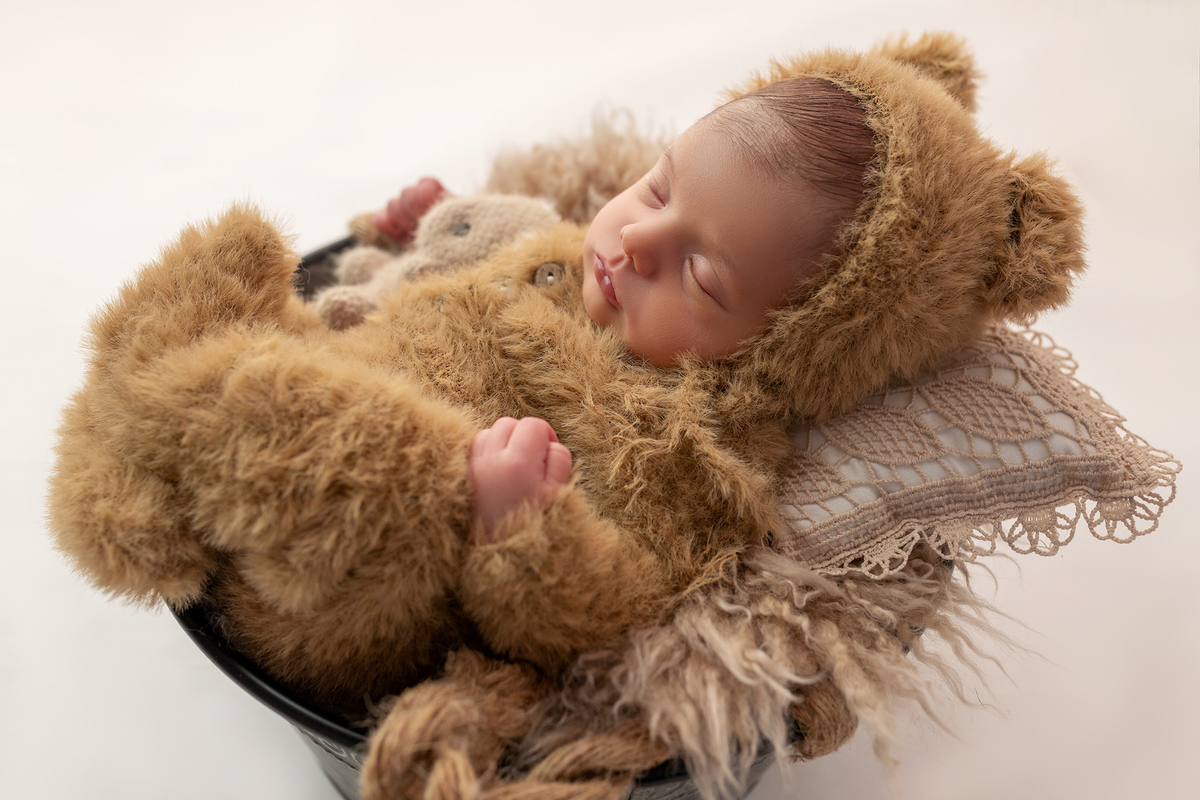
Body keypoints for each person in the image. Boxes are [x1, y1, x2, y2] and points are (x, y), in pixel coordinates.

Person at [373, 77, 875, 539]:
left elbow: (618, 592)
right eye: (657, 193)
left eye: (698, 275)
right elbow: (511, 238)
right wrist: (448, 223)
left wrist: (516, 524)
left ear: (775, 350)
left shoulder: (674, 453)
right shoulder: (573, 249)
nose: (635, 237)